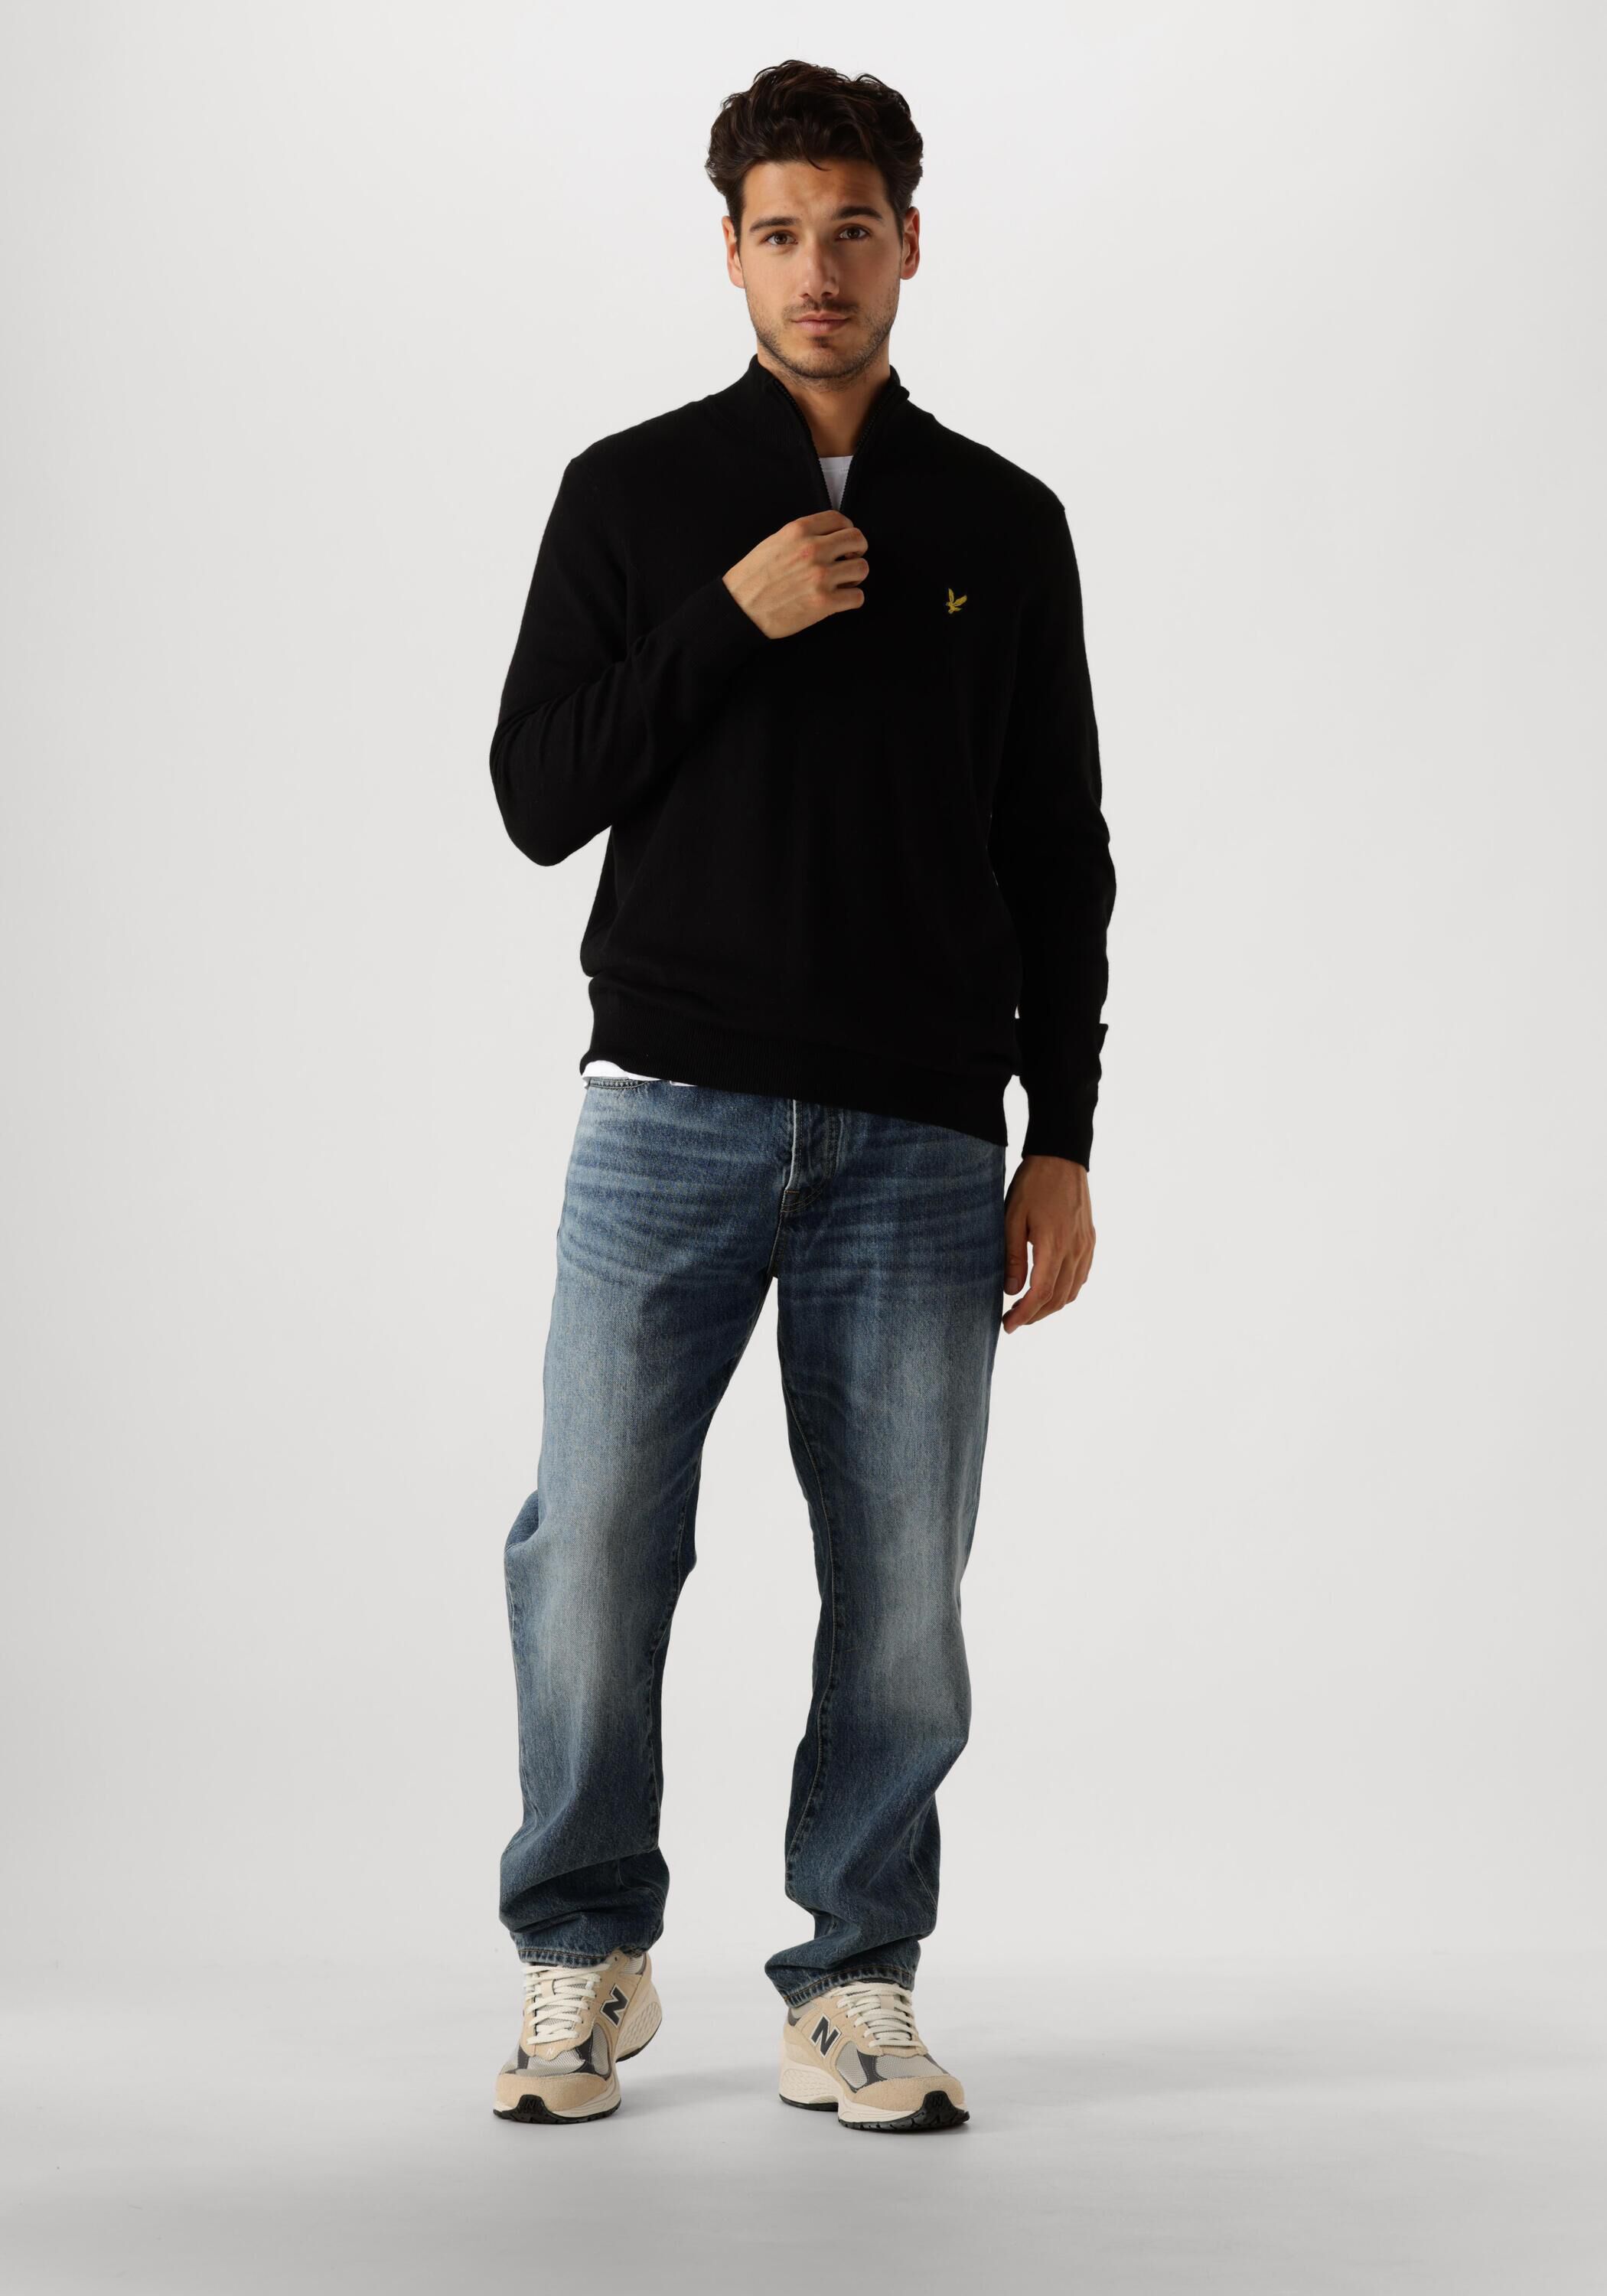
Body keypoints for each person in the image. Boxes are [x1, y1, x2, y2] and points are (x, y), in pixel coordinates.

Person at [485, 58, 1116, 2134]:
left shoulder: (1002, 522)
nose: (819, 269)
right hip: (663, 1111)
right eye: (780, 233)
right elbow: (537, 794)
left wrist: (1061, 1135)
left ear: (908, 242)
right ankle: (584, 1949)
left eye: (854, 229)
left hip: (919, 1140)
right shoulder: (634, 494)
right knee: (592, 1548)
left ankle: (853, 1980)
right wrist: (728, 620)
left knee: (904, 1588)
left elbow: (1057, 850)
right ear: (731, 252)